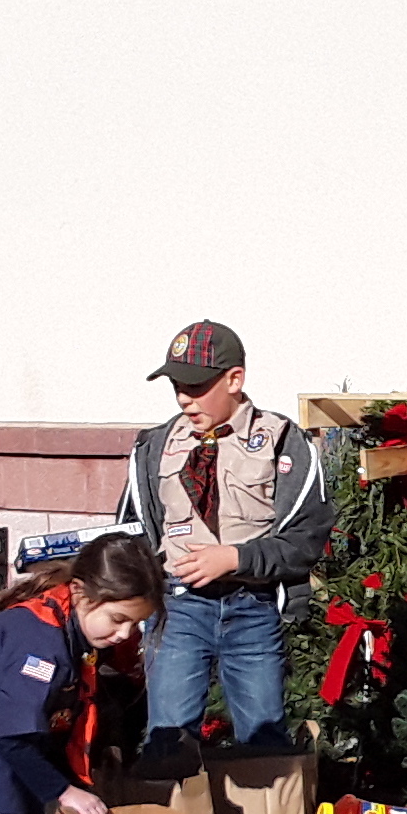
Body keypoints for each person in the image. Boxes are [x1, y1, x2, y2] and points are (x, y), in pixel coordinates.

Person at [117, 321, 333, 778]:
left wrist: (236, 558)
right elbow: (132, 532)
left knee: (264, 742)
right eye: (178, 386)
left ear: (235, 380)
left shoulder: (281, 440)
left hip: (252, 607)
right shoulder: (155, 447)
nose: (183, 399)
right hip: (176, 610)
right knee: (167, 741)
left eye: (196, 386)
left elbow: (307, 539)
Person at [0, 534, 167, 814]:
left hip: (12, 742)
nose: (125, 634)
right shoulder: (39, 646)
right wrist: (63, 791)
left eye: (135, 623)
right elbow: (14, 734)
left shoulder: (78, 624)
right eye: (118, 619)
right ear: (80, 593)